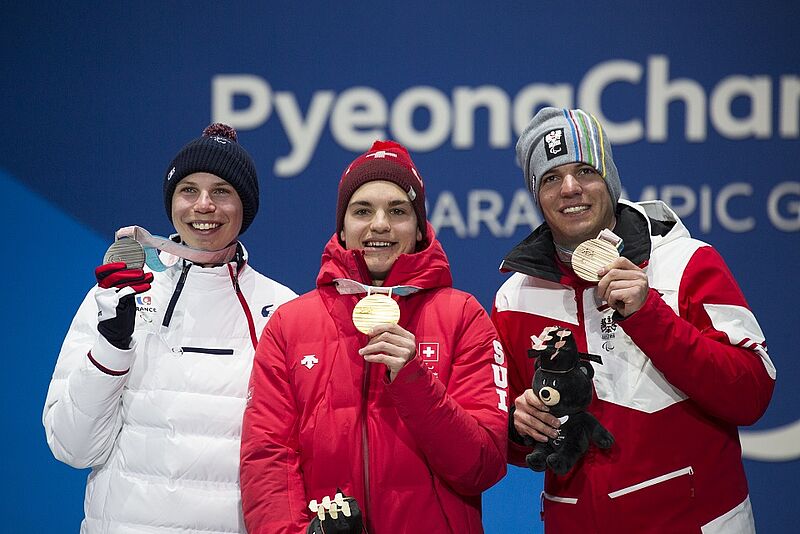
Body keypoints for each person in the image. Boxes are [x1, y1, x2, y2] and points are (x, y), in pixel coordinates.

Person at [493, 107, 776, 533]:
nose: (570, 188)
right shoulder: (515, 297)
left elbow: (752, 393)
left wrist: (649, 315)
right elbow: (508, 437)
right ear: (537, 194)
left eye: (585, 170)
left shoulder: (684, 263)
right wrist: (522, 429)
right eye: (551, 178)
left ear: (609, 178)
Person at [240, 140, 508, 534]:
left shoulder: (464, 317)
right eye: (362, 210)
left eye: (398, 211)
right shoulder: (289, 325)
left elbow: (481, 466)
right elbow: (267, 458)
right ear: (343, 229)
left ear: (419, 230)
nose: (379, 224)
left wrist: (415, 380)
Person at [43, 123, 297, 533]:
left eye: (221, 192)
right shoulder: (117, 294)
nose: (203, 205)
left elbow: (288, 462)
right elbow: (72, 447)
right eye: (188, 190)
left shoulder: (283, 309)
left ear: (245, 206)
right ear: (171, 201)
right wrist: (111, 347)